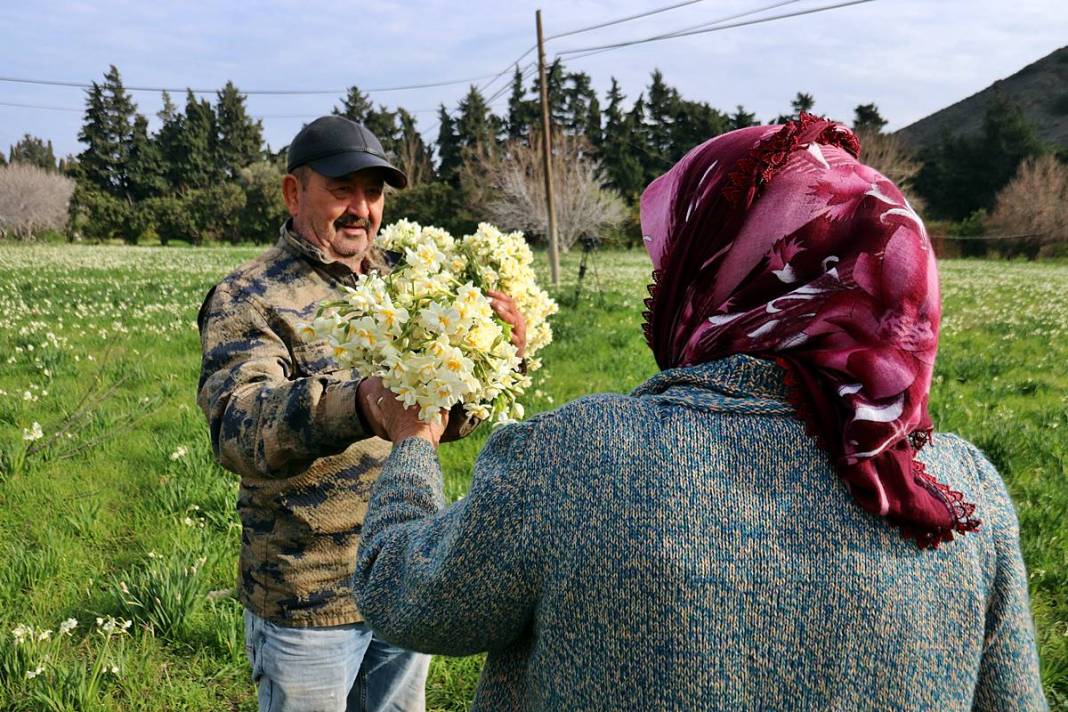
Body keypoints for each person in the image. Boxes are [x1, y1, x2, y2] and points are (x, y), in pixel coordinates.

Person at [351, 116, 1048, 710]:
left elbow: (400, 590)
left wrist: (413, 442)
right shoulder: (959, 495)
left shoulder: (580, 455)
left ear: (715, 273)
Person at [196, 115, 526, 712]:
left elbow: (437, 419)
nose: (361, 209)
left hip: (401, 571)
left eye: (372, 193)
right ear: (295, 193)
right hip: (307, 594)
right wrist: (359, 403)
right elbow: (238, 429)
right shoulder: (250, 295)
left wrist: (499, 360)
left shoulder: (406, 280)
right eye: (341, 189)